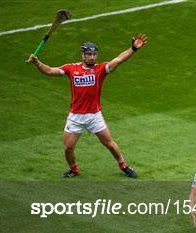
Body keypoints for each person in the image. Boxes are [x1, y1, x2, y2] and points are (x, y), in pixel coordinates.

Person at [28, 35, 148, 178]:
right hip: (76, 116)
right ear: (83, 54)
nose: (92, 57)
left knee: (109, 143)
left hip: (94, 115)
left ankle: (124, 166)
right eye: (89, 54)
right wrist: (38, 63)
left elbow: (119, 59)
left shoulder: (101, 69)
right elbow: (49, 71)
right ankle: (74, 170)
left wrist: (133, 49)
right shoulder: (71, 68)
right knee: (68, 148)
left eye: (94, 54)